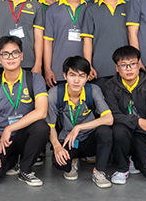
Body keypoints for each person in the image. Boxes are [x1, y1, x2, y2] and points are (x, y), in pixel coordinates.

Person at [0, 36, 49, 187]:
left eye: (15, 53)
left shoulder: (35, 79)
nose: (10, 57)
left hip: (25, 135)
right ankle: (11, 161)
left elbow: (42, 112)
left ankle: (25, 169)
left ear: (21, 56)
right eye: (5, 54)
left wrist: (10, 128)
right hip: (2, 139)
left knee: (42, 127)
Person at [102, 46, 146, 185]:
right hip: (123, 135)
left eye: (133, 64)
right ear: (117, 68)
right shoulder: (109, 86)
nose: (129, 69)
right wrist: (137, 121)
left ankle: (135, 159)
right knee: (118, 130)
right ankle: (122, 168)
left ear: (139, 65)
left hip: (144, 135)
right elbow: (112, 115)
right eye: (123, 65)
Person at [47, 56, 113, 188]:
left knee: (105, 131)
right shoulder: (54, 94)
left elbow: (109, 119)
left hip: (89, 139)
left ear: (87, 77)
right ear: (65, 75)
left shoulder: (93, 90)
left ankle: (98, 171)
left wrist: (78, 127)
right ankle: (73, 159)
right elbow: (51, 127)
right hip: (67, 140)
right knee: (59, 164)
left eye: (82, 76)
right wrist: (57, 147)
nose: (76, 80)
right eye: (72, 75)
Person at [81, 0, 128, 87]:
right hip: (99, 70)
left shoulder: (129, 7)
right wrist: (88, 65)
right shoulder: (91, 10)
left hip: (126, 69)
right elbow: (87, 40)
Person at [43, 0, 87, 87]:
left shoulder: (90, 9)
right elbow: (47, 42)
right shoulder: (52, 10)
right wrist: (47, 69)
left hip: (84, 72)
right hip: (58, 72)